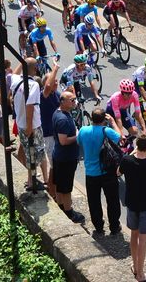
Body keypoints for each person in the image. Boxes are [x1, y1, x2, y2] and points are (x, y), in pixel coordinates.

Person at [120, 132, 146, 282]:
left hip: (132, 203)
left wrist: (133, 151)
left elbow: (118, 172)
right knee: (143, 240)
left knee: (133, 235)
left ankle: (135, 266)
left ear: (137, 144)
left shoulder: (126, 160)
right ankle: (140, 274)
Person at [78, 108, 123, 236]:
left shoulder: (83, 131)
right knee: (112, 200)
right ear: (104, 119)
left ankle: (98, 227)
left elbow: (79, 141)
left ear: (91, 118)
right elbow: (120, 137)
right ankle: (114, 226)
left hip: (91, 174)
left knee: (94, 201)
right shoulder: (106, 130)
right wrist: (113, 122)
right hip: (107, 172)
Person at [11, 58, 46, 192]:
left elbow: (14, 73)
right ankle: (32, 182)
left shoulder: (16, 81)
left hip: (20, 123)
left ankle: (30, 179)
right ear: (34, 68)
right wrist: (30, 126)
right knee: (35, 153)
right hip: (32, 125)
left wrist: (22, 62)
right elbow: (30, 106)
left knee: (27, 151)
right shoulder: (34, 85)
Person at [51, 90, 85, 223]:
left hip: (60, 156)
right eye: (72, 100)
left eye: (75, 99)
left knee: (60, 184)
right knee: (66, 187)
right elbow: (63, 141)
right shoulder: (62, 119)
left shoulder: (61, 113)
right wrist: (78, 137)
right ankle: (69, 211)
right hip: (65, 158)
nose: (74, 102)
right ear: (63, 102)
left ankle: (61, 206)